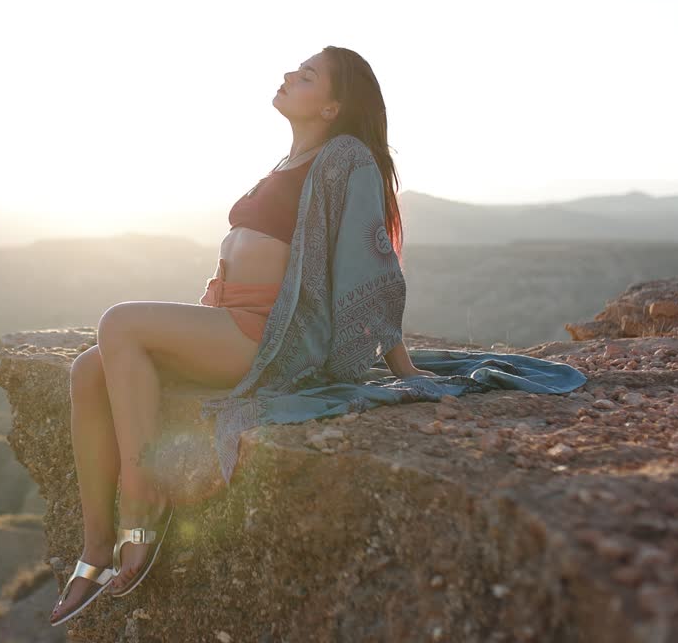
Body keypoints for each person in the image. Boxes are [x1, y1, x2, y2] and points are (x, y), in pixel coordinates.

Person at [49, 46, 429, 626]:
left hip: (267, 336)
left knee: (118, 320)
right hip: (226, 319)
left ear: (332, 107)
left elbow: (372, 271)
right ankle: (97, 547)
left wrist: (403, 367)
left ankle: (142, 499)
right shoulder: (285, 160)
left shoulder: (346, 159)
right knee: (87, 369)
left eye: (306, 77)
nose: (287, 76)